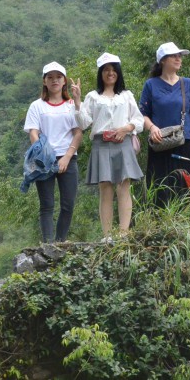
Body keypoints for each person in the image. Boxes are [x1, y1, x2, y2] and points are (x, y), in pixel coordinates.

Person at [72, 53, 144, 241]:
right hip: (101, 144)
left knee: (123, 186)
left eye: (113, 70)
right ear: (101, 73)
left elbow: (138, 120)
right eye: (106, 70)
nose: (110, 73)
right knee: (105, 188)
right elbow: (84, 122)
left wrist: (126, 128)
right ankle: (107, 235)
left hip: (123, 142)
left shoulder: (126, 95)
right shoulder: (93, 97)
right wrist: (78, 101)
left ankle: (124, 232)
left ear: (118, 73)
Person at [24, 62, 83, 243]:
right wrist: (43, 153)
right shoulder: (37, 106)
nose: (54, 80)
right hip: (44, 159)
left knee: (68, 204)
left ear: (64, 80)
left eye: (58, 77)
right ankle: (48, 244)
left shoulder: (72, 104)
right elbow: (33, 131)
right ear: (44, 81)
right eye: (50, 77)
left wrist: (66, 157)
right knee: (47, 204)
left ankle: (60, 241)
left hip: (68, 158)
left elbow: (78, 132)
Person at [139, 42, 190, 207]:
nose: (178, 59)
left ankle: (188, 228)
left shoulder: (188, 83)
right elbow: (142, 114)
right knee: (160, 186)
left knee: (186, 187)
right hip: (160, 143)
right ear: (162, 60)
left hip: (186, 141)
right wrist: (152, 128)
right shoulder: (151, 85)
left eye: (179, 56)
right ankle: (162, 226)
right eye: (174, 56)